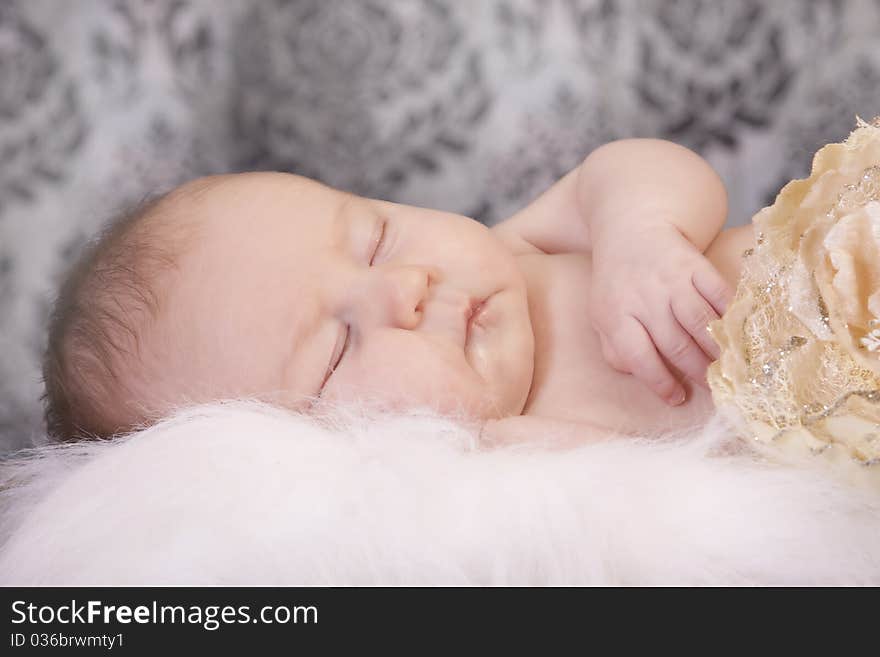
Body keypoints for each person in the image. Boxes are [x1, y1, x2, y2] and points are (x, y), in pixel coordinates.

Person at [42, 136, 754, 446]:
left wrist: (640, 234)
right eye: (334, 349)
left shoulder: (519, 250)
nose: (403, 289)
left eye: (376, 236)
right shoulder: (478, 474)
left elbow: (628, 167)